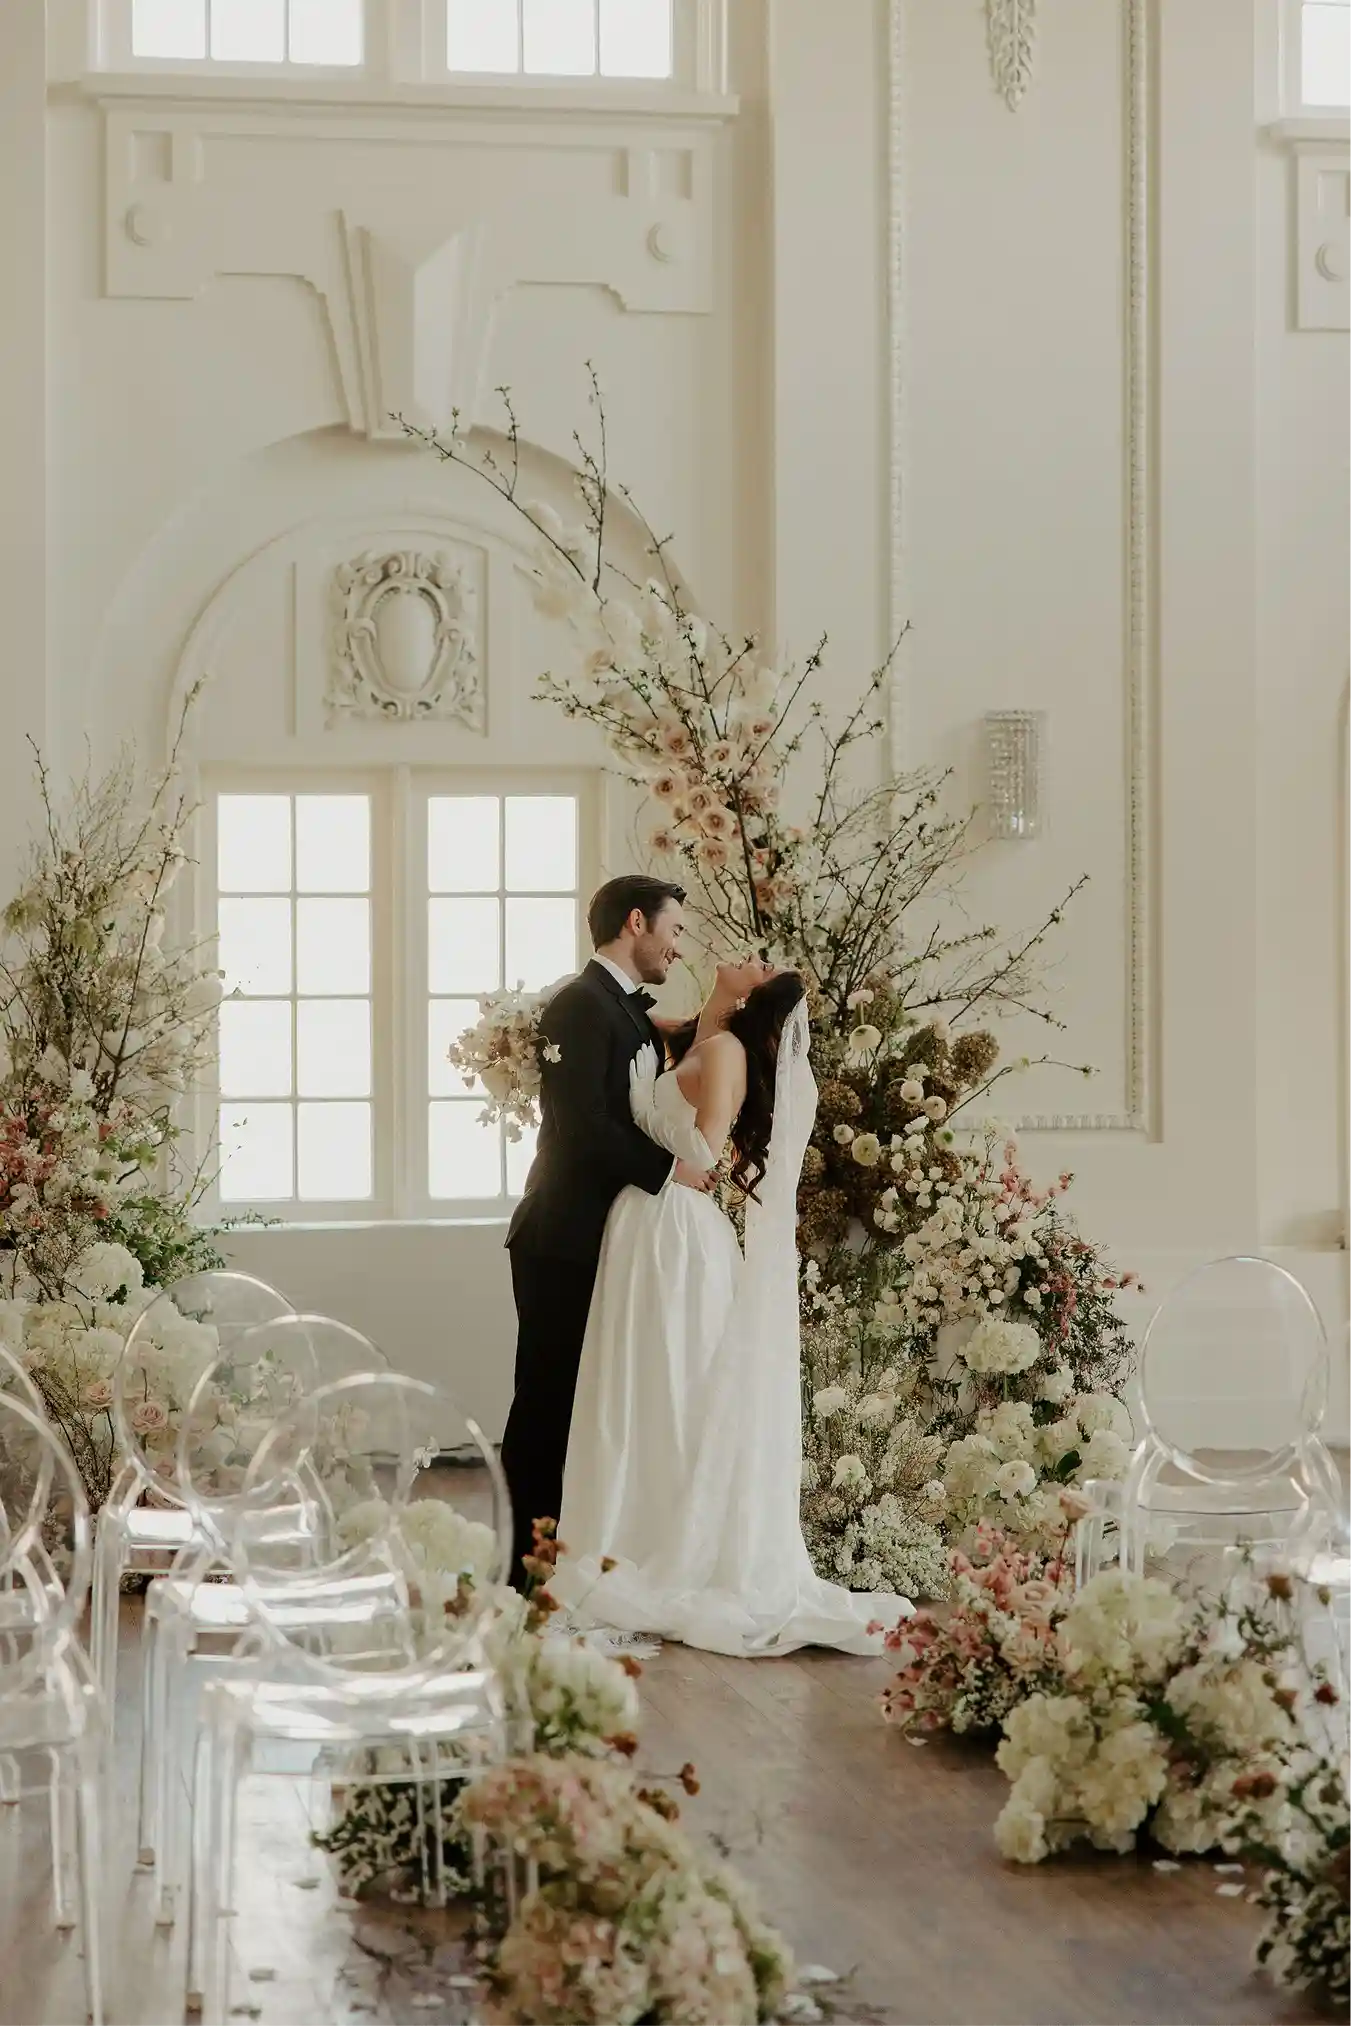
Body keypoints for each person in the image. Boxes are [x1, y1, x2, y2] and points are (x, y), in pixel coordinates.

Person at [549, 956, 912, 1655]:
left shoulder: (723, 1052)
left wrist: (648, 1136)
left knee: (667, 1381)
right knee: (650, 1380)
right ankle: (635, 1519)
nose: (754, 957)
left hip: (672, 1223)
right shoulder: (708, 1036)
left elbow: (705, 1147)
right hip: (650, 1219)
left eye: (761, 966)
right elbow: (682, 1035)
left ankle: (655, 1537)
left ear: (757, 996)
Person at [500, 874, 713, 1587]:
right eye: (673, 930)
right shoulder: (580, 1006)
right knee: (547, 1401)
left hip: (607, 1237)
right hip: (561, 1235)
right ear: (634, 923)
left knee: (589, 1402)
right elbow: (583, 1127)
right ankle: (523, 1569)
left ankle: (575, 1554)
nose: (677, 947)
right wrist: (670, 1170)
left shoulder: (617, 1009)